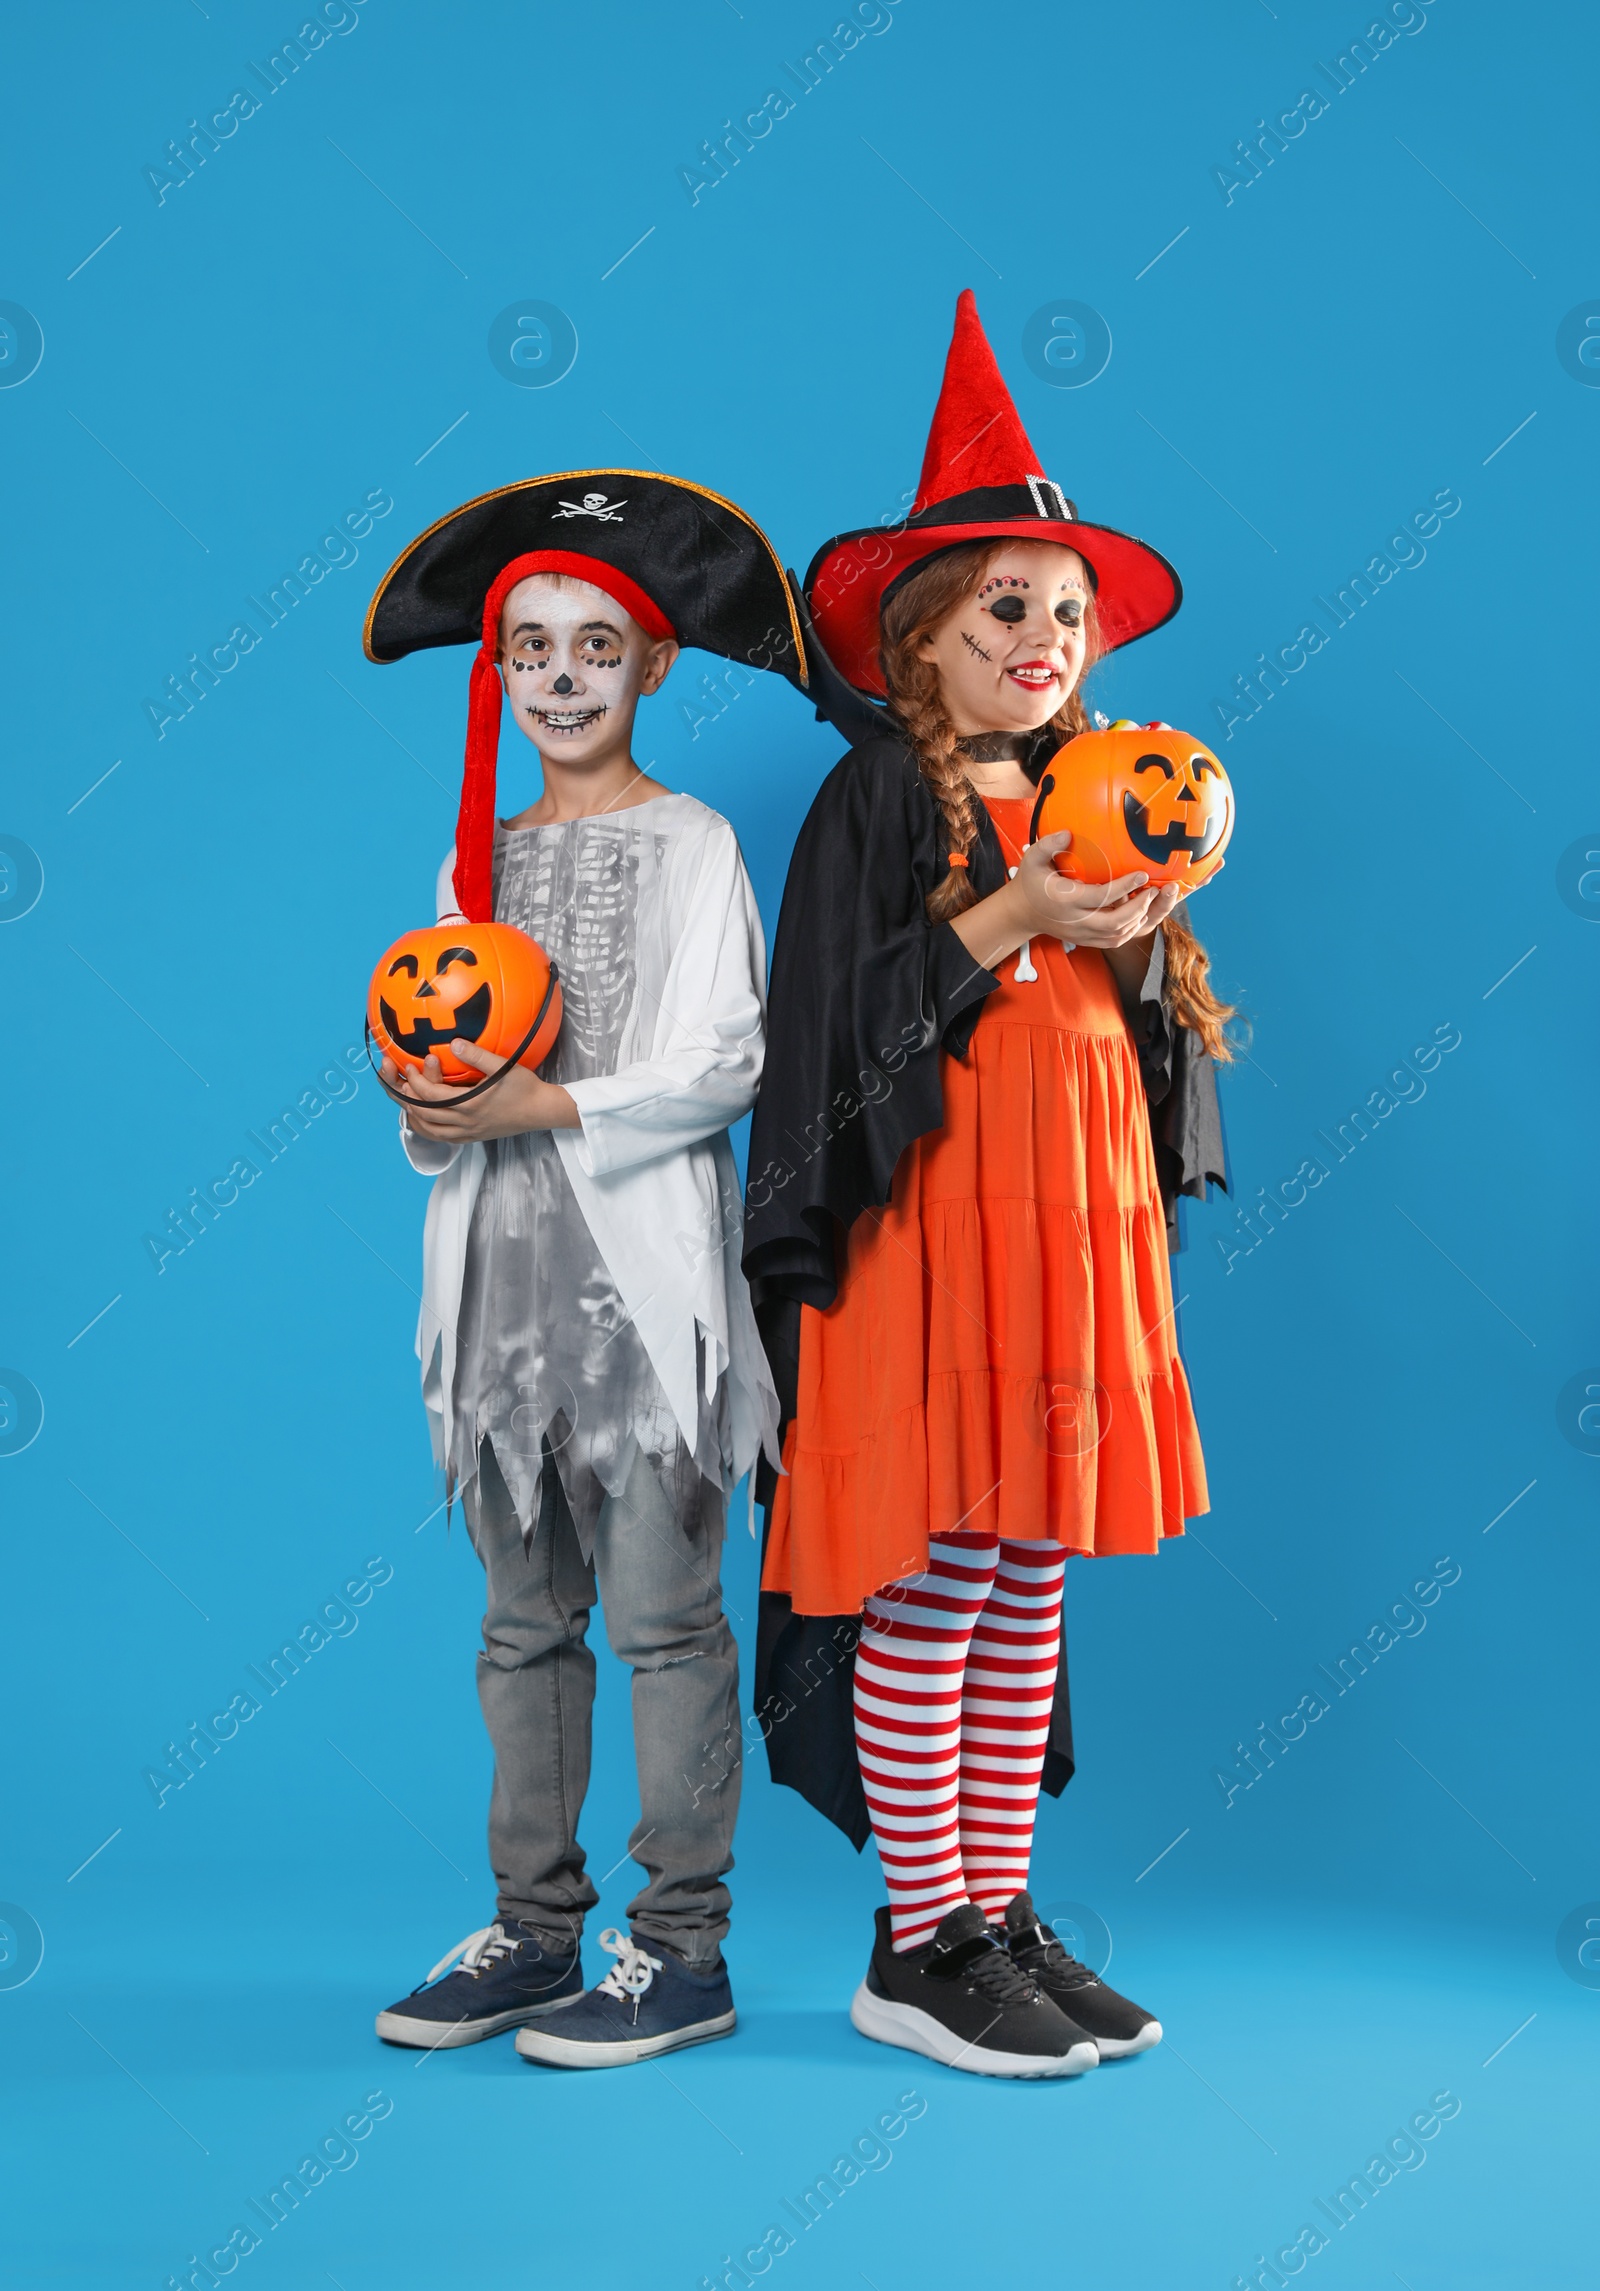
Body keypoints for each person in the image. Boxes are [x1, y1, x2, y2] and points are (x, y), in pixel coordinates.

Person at [743, 294, 1233, 2079]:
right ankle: (917, 1939)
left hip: (1067, 1239)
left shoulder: (1113, 795)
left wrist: (1144, 944)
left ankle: (1000, 1908)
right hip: (930, 1242)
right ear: (922, 642)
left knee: (1031, 1574)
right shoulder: (881, 802)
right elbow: (838, 1038)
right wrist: (1015, 916)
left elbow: (1140, 1050)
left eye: (1068, 610)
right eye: (1004, 608)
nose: (1047, 635)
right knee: (935, 1575)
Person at [363, 471, 803, 2068]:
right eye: (531, 649)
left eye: (592, 646)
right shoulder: (474, 864)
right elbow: (436, 1054)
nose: (559, 677)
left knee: (664, 1621)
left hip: (646, 1300)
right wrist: (432, 1108)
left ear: (652, 666)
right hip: (505, 1300)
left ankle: (683, 1947)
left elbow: (725, 1060)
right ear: (501, 673)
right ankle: (534, 1931)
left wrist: (556, 1100)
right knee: (518, 1626)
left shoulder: (691, 846)